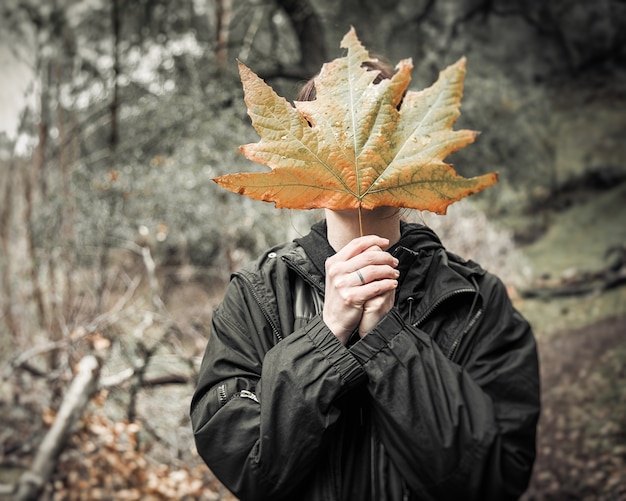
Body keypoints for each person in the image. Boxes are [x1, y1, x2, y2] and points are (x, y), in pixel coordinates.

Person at [190, 60, 540, 501]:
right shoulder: (257, 295)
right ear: (302, 153)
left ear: (415, 149)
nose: (361, 151)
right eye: (336, 138)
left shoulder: (474, 301)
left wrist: (389, 341)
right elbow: (248, 468)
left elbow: (494, 478)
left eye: (383, 134)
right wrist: (324, 337)